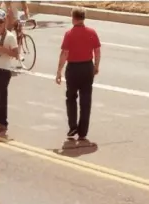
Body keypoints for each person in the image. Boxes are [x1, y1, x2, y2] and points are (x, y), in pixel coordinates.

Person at [55, 7, 101, 141]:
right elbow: (97, 51)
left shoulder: (69, 34)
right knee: (86, 100)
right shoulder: (92, 32)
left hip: (73, 68)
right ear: (83, 18)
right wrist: (96, 66)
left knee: (71, 97)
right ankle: (83, 131)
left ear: (73, 18)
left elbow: (64, 53)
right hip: (87, 67)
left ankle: (73, 125)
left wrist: (59, 71)